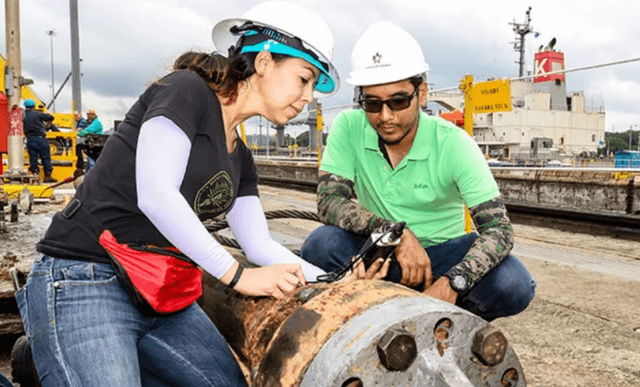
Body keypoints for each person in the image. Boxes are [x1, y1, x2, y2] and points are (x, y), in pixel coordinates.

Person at [15, 3, 384, 387]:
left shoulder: (240, 156)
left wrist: (334, 281)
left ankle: (50, 361)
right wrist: (237, 276)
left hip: (160, 292)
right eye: (304, 79)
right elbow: (157, 195)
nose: (309, 97)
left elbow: (258, 245)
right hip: (87, 274)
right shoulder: (186, 90)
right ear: (264, 61)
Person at [300, 21, 536, 322]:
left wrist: (454, 282)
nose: (385, 117)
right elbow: (329, 202)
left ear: (421, 94)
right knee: (320, 246)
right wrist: (396, 234)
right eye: (372, 104)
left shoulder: (455, 144)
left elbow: (499, 232)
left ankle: (441, 319)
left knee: (513, 283)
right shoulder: (348, 127)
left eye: (398, 101)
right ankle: (379, 310)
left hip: (443, 256)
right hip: (382, 250)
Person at [22, 98, 58, 183]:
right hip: (40, 139)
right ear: (34, 106)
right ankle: (47, 175)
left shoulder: (23, 115)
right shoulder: (38, 114)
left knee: (33, 158)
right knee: (45, 157)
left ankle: (34, 175)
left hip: (30, 139)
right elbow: (51, 117)